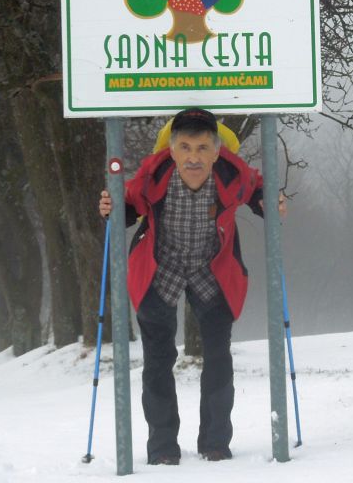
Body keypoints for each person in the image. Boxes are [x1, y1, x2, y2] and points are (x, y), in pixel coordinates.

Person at [98, 107, 286, 465]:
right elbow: (129, 206)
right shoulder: (154, 174)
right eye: (185, 148)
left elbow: (258, 188)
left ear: (217, 151)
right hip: (160, 270)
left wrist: (269, 203)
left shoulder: (232, 173)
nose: (193, 157)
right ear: (172, 150)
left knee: (218, 357)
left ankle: (215, 442)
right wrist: (111, 208)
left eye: (202, 148)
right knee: (158, 360)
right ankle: (163, 447)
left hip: (210, 270)